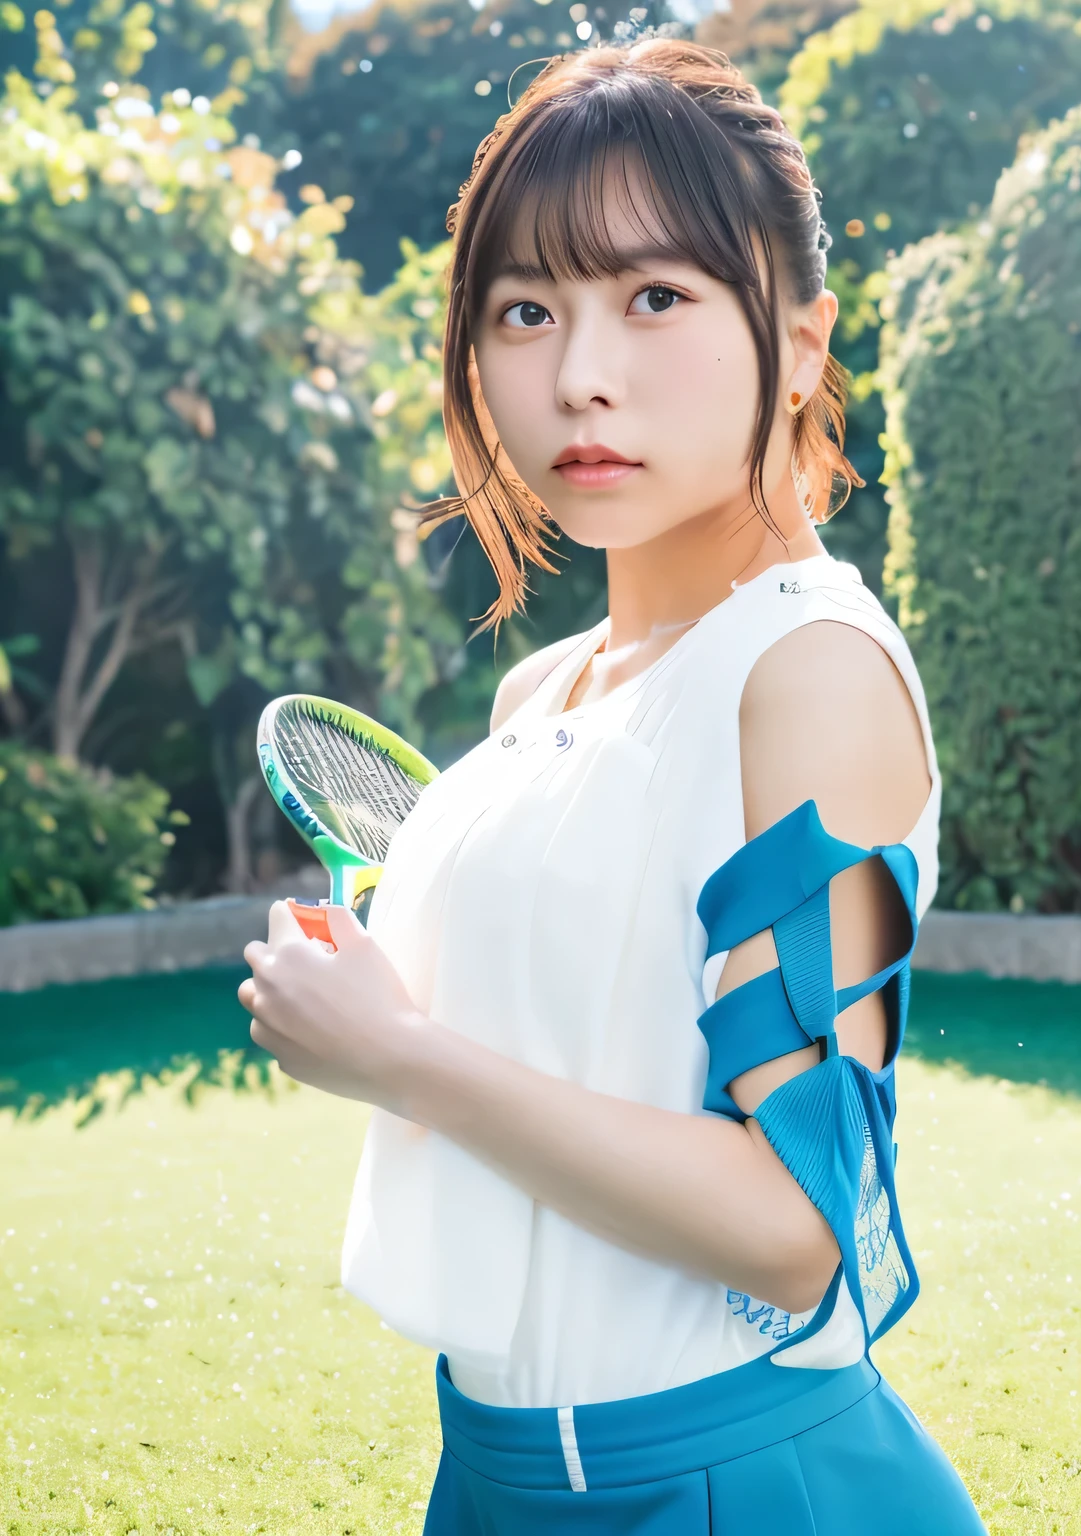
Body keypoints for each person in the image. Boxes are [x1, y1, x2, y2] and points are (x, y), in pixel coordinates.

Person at [240, 38, 988, 1534]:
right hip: (497, 1476)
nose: (580, 374)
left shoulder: (812, 671)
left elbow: (793, 1229)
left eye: (656, 297)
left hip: (738, 1486)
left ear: (799, 336)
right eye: (528, 309)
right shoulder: (541, 690)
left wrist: (406, 1059)